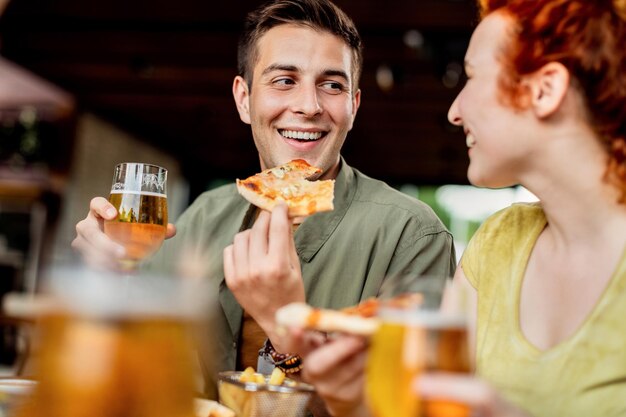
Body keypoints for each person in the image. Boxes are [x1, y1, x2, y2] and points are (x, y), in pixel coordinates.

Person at [71, 0, 456, 407]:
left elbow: (412, 407)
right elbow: (135, 374)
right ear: (243, 99)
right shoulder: (203, 215)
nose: (309, 106)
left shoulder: (414, 235)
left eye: (332, 85)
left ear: (353, 107)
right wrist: (110, 282)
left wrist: (284, 323)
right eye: (285, 80)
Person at [283, 0, 626, 416]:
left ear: (544, 89)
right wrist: (353, 401)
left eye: (472, 77)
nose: (454, 111)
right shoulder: (499, 242)